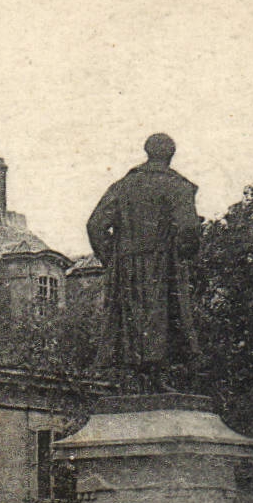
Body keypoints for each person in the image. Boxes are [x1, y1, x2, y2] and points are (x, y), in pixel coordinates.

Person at [86, 133, 204, 394]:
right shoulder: (177, 186)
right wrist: (185, 256)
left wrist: (112, 259)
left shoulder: (123, 186)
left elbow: (95, 225)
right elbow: (188, 230)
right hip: (163, 264)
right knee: (161, 318)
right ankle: (156, 377)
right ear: (171, 155)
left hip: (126, 266)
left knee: (131, 320)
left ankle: (137, 378)